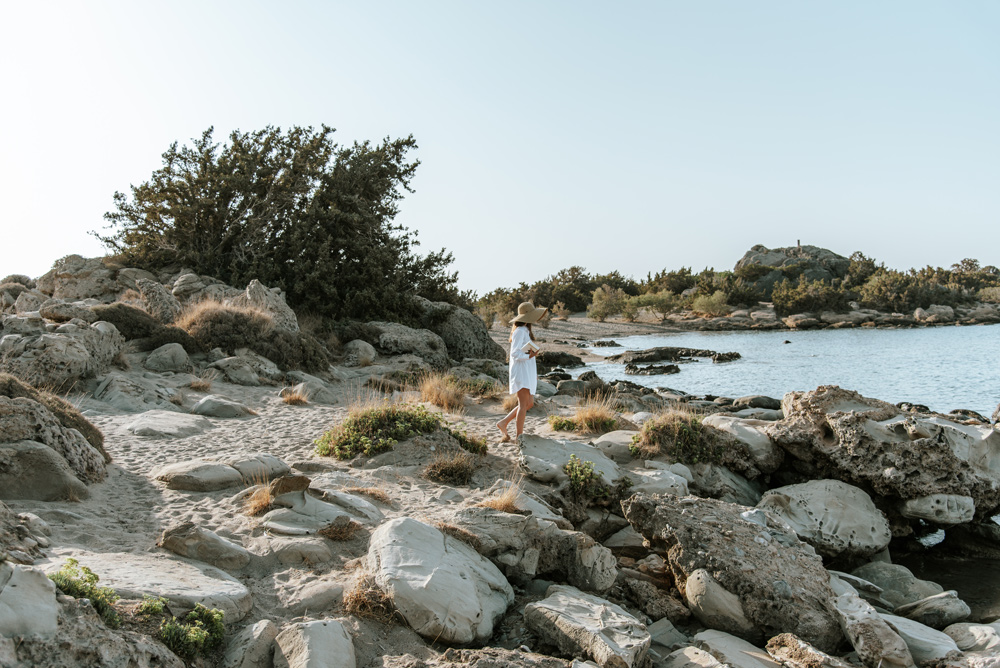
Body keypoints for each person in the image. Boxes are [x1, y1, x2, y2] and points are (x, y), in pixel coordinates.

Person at [497, 301, 547, 444]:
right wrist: (530, 355)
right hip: (520, 372)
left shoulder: (524, 330)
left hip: (526, 371)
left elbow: (523, 352)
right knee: (524, 404)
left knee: (529, 403)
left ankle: (504, 422)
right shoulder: (519, 331)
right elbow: (514, 353)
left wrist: (533, 371)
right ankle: (519, 437)